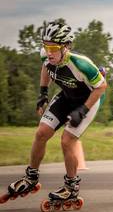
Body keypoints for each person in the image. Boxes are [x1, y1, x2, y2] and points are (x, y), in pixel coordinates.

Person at [3, 21, 107, 208]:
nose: (48, 51)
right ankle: (31, 177)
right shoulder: (47, 56)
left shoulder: (82, 63)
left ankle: (71, 187)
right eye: (45, 46)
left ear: (66, 47)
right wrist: (43, 93)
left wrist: (82, 110)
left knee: (67, 141)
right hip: (66, 97)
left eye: (53, 47)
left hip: (87, 101)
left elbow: (102, 87)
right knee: (41, 133)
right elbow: (45, 68)